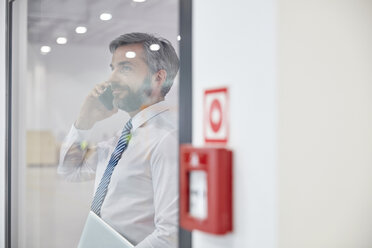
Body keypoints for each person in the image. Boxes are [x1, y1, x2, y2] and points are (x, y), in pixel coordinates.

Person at [58, 32, 179, 248]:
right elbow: (71, 171)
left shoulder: (166, 140)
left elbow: (170, 235)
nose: (111, 79)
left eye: (125, 68)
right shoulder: (124, 136)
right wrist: (84, 123)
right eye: (113, 68)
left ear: (158, 78)